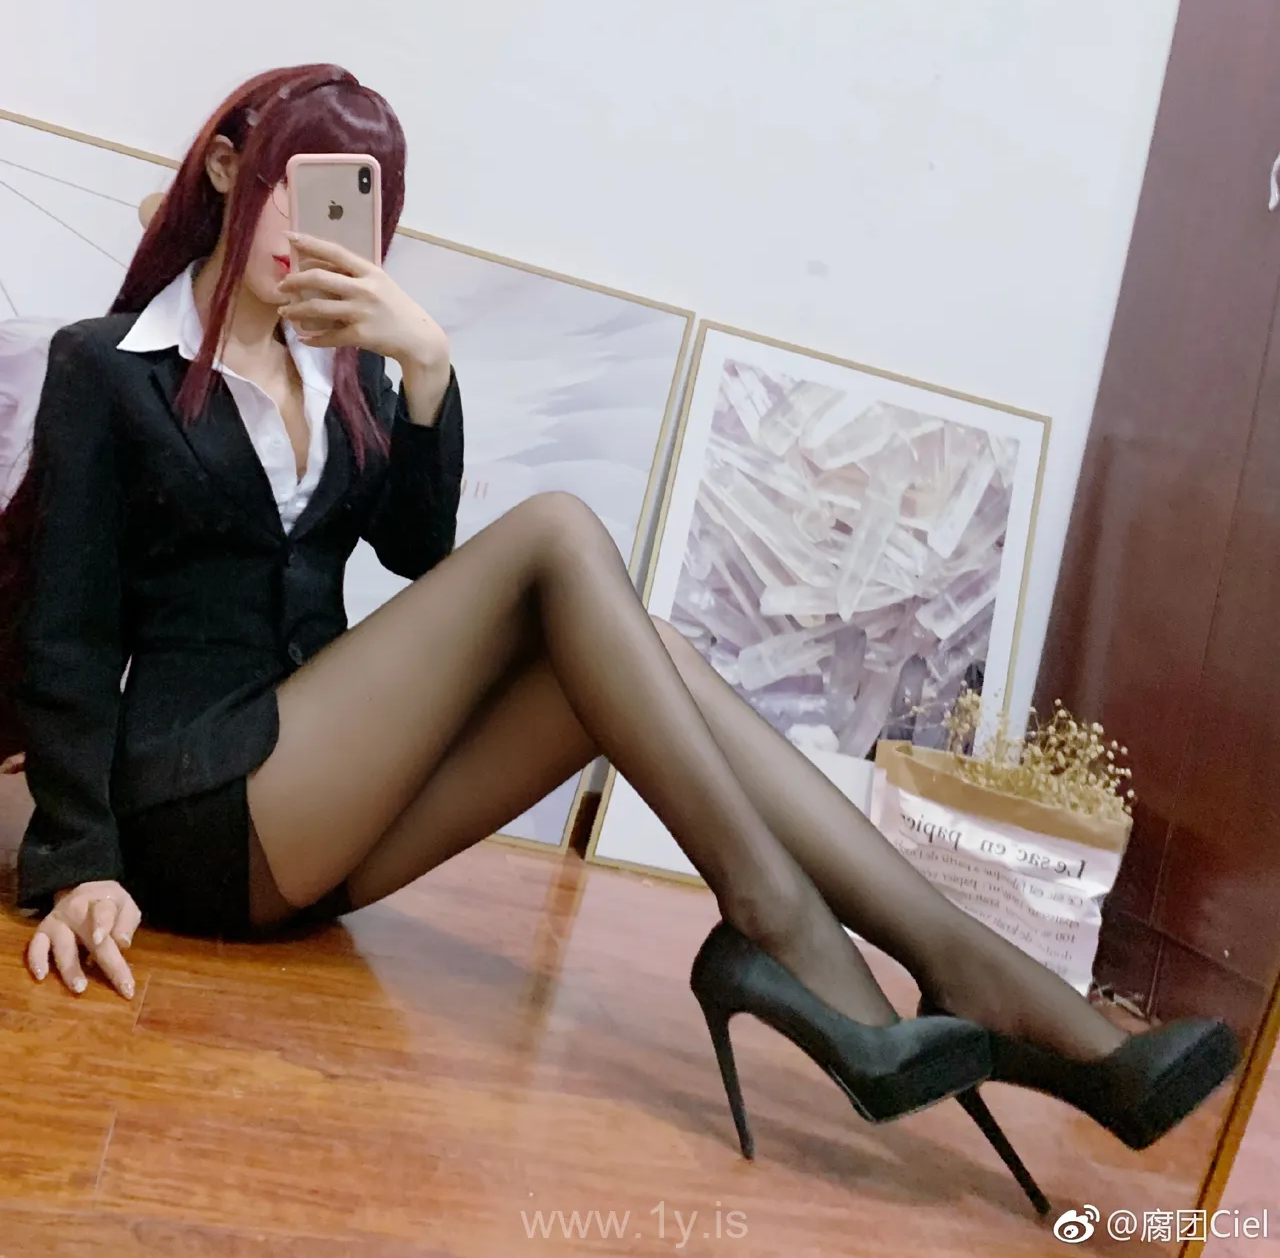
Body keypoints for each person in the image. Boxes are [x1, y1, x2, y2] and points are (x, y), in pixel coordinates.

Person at [0, 64, 1238, 1200]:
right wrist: (79, 863)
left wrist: (424, 370)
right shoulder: (107, 367)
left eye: (358, 203)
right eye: (298, 184)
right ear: (229, 170)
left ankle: (970, 970)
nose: (319, 230)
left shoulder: (352, 376)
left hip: (314, 817)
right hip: (196, 807)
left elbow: (416, 552)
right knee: (555, 532)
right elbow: (65, 636)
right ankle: (791, 929)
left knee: (657, 663)